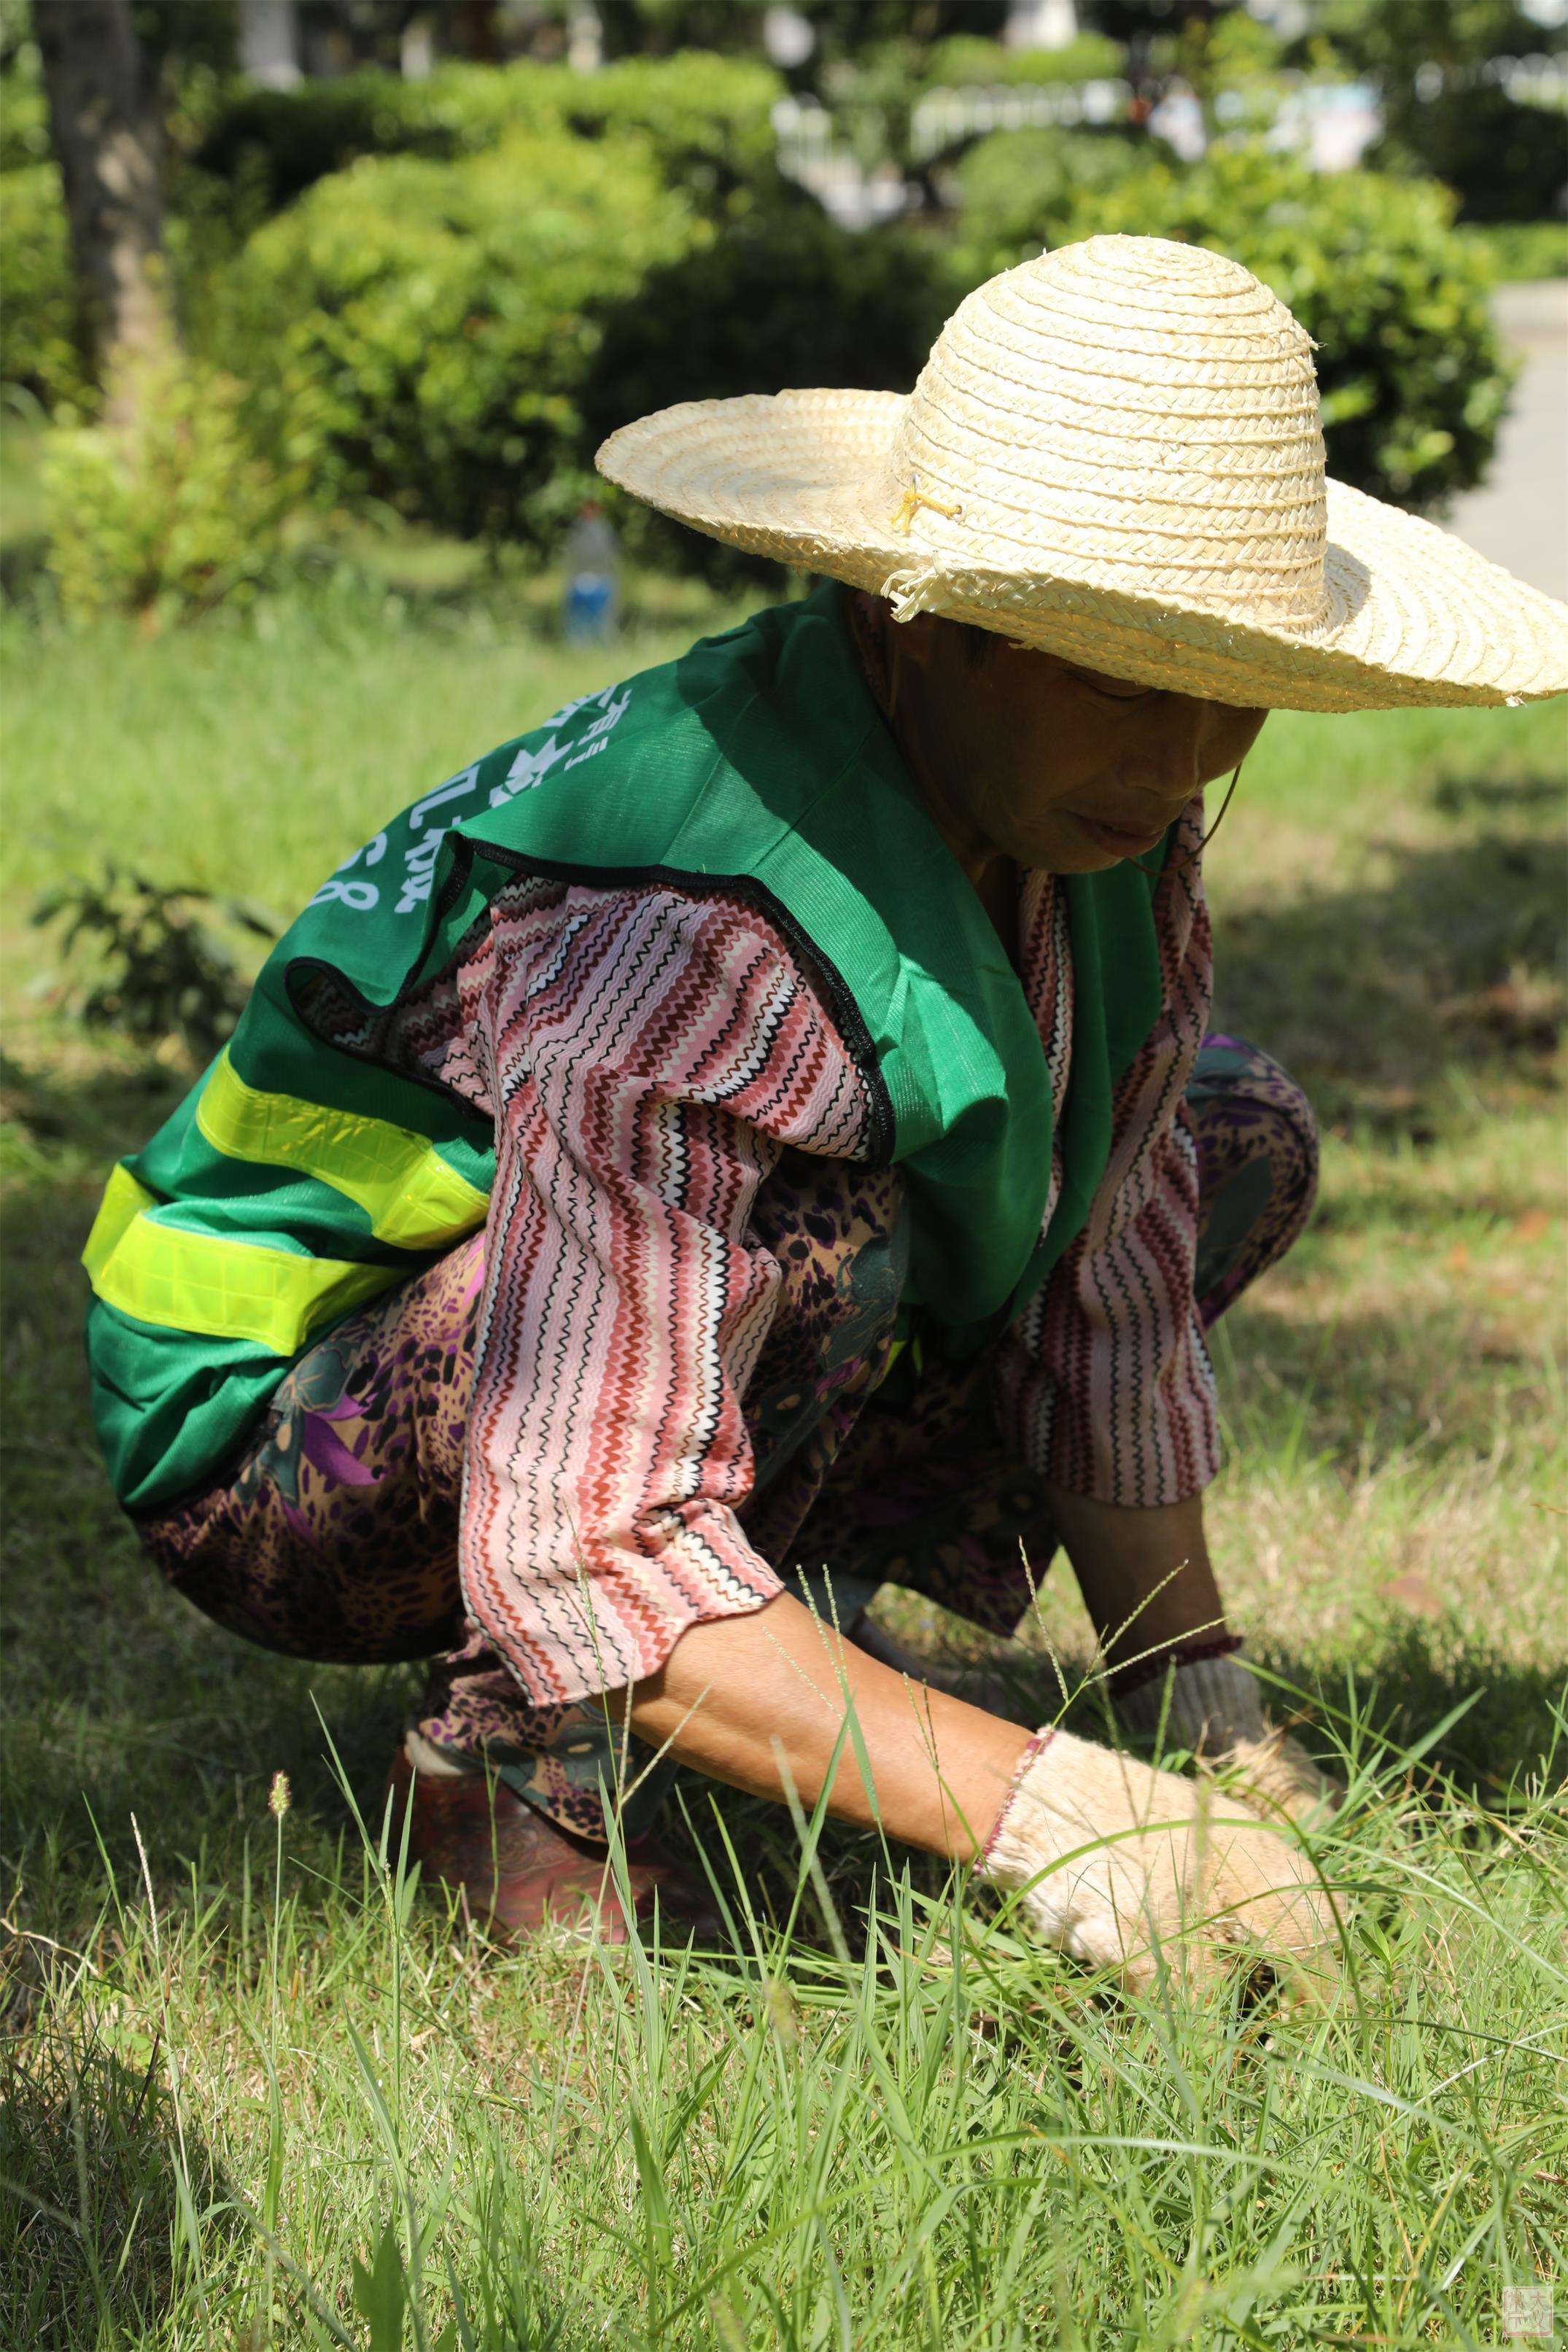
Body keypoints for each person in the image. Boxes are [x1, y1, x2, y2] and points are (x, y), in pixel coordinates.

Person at [82, 237, 1567, 1984]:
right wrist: (1051, 1812)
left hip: (559, 1337)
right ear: (909, 620)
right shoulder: (701, 929)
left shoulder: (1093, 822)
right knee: (815, 1226)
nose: (1179, 759)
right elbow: (588, 1521)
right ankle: (515, 1759)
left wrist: (1197, 1697)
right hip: (299, 1438)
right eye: (1111, 670)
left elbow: (1104, 1261)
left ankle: (781, 1635)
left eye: (1228, 680)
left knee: (1223, 1136)